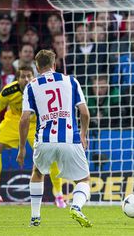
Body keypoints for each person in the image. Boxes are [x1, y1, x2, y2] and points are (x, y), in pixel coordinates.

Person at [16, 50, 92, 227]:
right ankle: (76, 207)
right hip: (69, 139)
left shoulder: (31, 86)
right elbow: (85, 113)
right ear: (54, 65)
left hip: (44, 139)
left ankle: (35, 217)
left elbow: (24, 118)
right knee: (84, 180)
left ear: (37, 67)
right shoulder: (71, 81)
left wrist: (21, 148)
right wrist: (83, 134)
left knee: (37, 172)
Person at [0, 66, 66, 209]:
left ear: (34, 77)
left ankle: (59, 194)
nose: (26, 79)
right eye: (22, 77)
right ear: (17, 79)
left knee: (52, 152)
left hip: (35, 124)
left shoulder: (42, 90)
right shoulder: (8, 91)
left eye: (29, 76)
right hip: (13, 121)